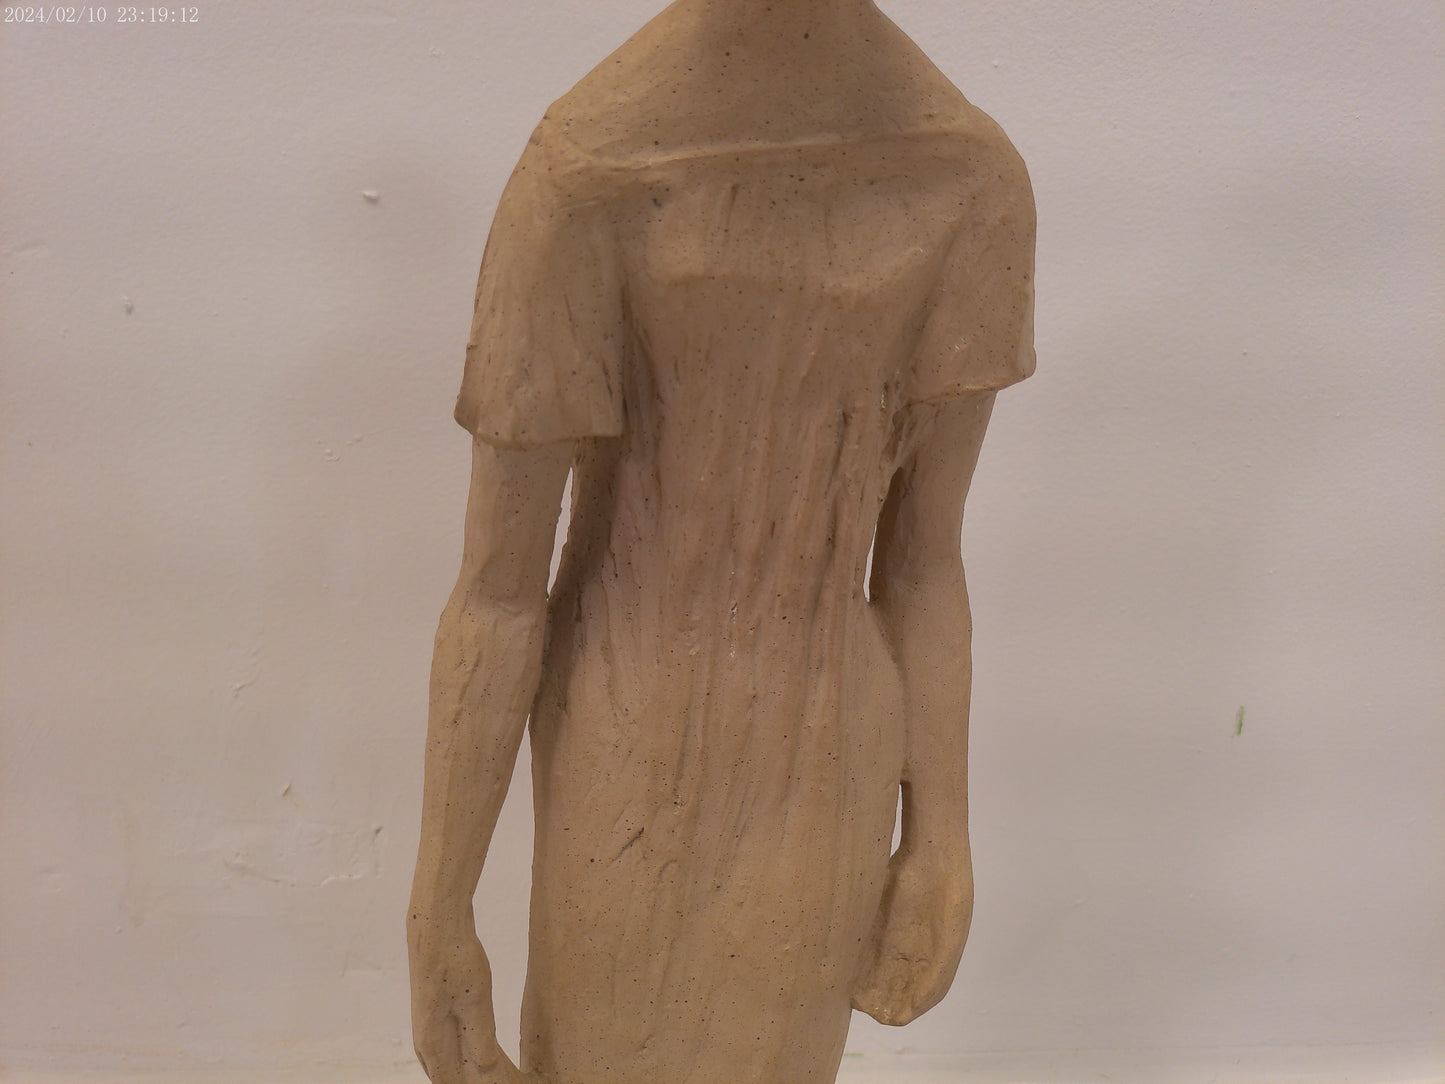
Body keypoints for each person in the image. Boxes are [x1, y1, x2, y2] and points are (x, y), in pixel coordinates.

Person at [407, 1, 1035, 1081]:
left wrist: (941, 835)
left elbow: (923, 561)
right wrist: (440, 908)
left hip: (828, 744)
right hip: (628, 739)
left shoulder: (966, 178)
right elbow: (498, 594)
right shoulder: (586, 174)